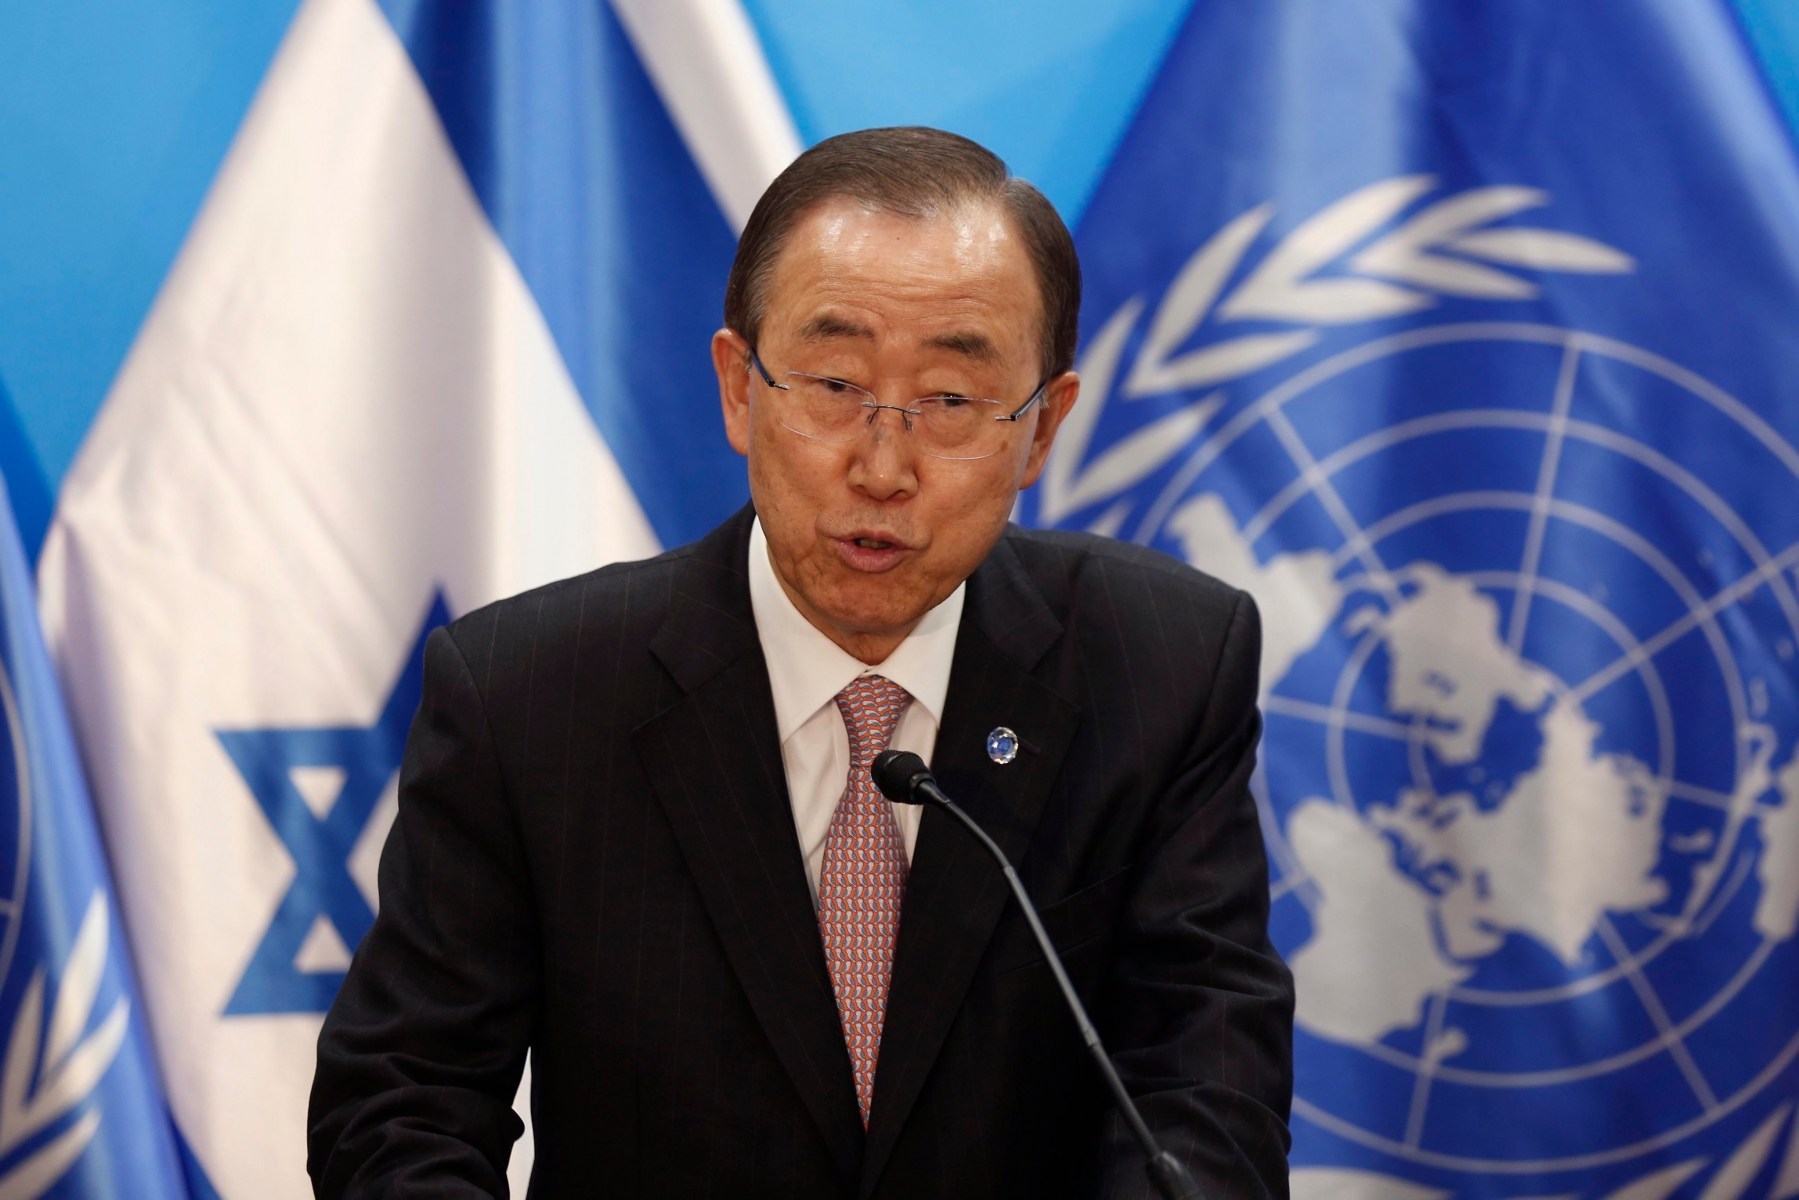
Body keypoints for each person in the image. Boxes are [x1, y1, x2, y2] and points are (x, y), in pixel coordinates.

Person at [308, 126, 1293, 1198]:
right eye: (831, 383)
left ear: (1040, 431)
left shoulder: (1163, 669)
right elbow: (402, 1106)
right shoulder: (526, 696)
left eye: (950, 403)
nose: (880, 465)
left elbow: (1204, 1099)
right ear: (740, 389)